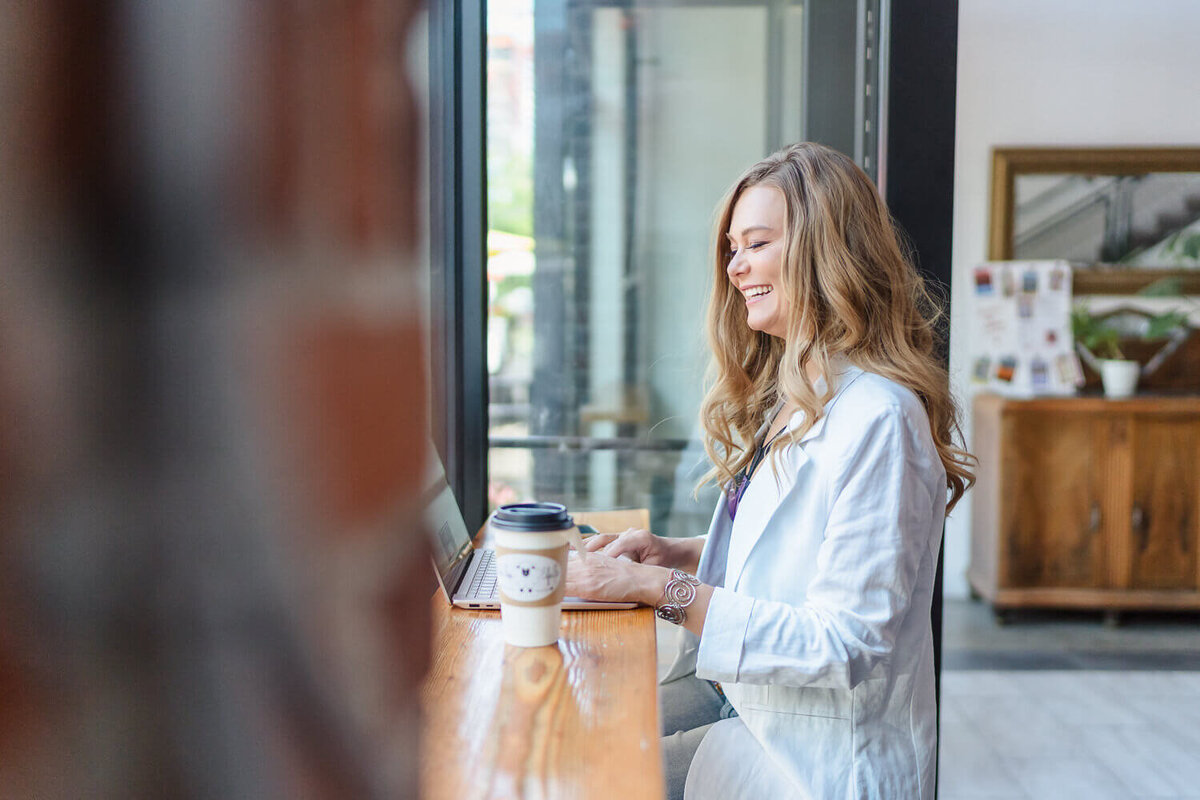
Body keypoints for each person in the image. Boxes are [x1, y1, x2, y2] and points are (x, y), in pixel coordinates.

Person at [565, 142, 975, 800]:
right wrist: (679, 556)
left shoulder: (880, 418)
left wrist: (651, 589)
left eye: (756, 243)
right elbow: (802, 557)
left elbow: (846, 642)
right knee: (580, 749)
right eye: (732, 248)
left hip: (820, 765)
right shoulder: (800, 394)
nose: (736, 268)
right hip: (753, 719)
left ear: (825, 250)